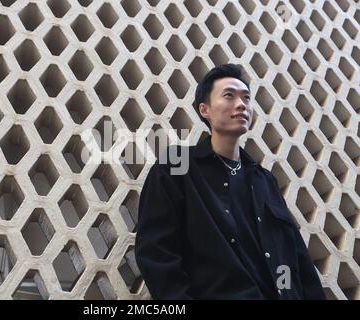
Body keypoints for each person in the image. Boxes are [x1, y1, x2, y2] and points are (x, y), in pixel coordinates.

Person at [134, 64, 326, 300]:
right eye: (229, 96)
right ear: (205, 110)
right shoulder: (177, 167)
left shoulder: (265, 181)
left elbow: (297, 259)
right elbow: (157, 252)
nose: (241, 104)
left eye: (246, 97)